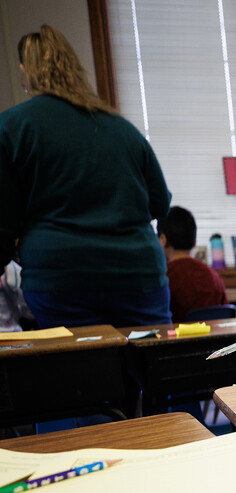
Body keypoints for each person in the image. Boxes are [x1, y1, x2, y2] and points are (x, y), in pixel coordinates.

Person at [0, 25, 172, 328]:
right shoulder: (122, 130)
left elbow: (4, 219)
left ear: (25, 70)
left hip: (61, 277)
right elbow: (161, 204)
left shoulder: (12, 127)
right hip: (138, 274)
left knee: (83, 371)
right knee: (151, 367)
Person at [158, 206, 229, 322]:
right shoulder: (214, 276)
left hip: (180, 339)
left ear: (162, 240)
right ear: (194, 242)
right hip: (219, 339)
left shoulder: (164, 277)